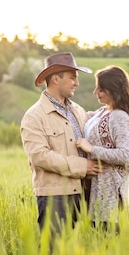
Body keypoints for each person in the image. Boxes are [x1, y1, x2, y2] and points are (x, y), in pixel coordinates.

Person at [20, 52, 102, 240]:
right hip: (54, 196)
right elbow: (39, 156)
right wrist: (83, 167)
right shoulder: (34, 116)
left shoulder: (78, 111)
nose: (77, 83)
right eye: (73, 78)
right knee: (52, 254)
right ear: (56, 79)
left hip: (83, 192)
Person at [76, 65, 129, 232]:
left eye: (100, 89)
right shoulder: (102, 112)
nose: (95, 92)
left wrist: (91, 149)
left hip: (110, 196)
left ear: (114, 90)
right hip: (97, 192)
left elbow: (126, 155)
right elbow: (81, 116)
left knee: (107, 243)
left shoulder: (120, 117)